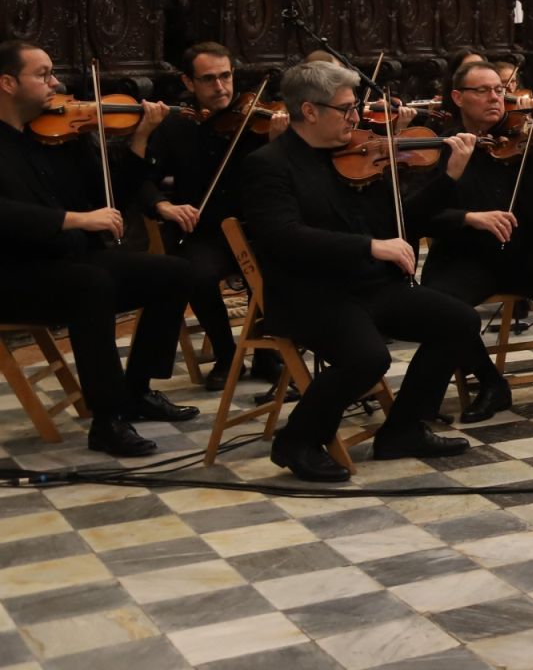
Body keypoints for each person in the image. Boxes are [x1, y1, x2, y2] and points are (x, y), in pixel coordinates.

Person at [238, 61, 491, 482]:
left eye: (355, 108)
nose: (357, 118)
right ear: (310, 110)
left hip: (368, 284)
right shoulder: (269, 164)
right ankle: (297, 440)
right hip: (310, 294)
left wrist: (448, 179)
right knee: (369, 356)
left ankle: (403, 430)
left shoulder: (355, 154)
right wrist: (369, 246)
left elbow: (402, 221)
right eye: (346, 109)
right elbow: (282, 236)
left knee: (458, 321)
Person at [0, 39, 199, 456]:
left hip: (72, 259)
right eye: (43, 75)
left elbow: (109, 196)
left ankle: (137, 389)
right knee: (90, 284)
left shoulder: (60, 136)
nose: (56, 83)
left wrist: (141, 139)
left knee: (176, 273)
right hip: (15, 274)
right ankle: (108, 420)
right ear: (7, 83)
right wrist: (74, 220)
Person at [422, 61, 533, 413]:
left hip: (527, 250)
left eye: (500, 90)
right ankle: (490, 382)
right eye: (483, 91)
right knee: (441, 304)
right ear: (458, 97)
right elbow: (422, 214)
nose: (495, 98)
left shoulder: (529, 138)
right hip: (465, 255)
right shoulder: (443, 145)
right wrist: (469, 218)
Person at [136, 41, 292, 392]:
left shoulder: (260, 122)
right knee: (194, 274)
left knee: (284, 261)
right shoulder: (175, 125)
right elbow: (143, 179)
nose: (220, 87)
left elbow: (284, 181)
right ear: (189, 83)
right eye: (208, 79)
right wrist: (164, 206)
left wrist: (279, 146)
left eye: (225, 77)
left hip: (259, 227)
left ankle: (266, 351)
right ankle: (226, 353)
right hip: (208, 232)